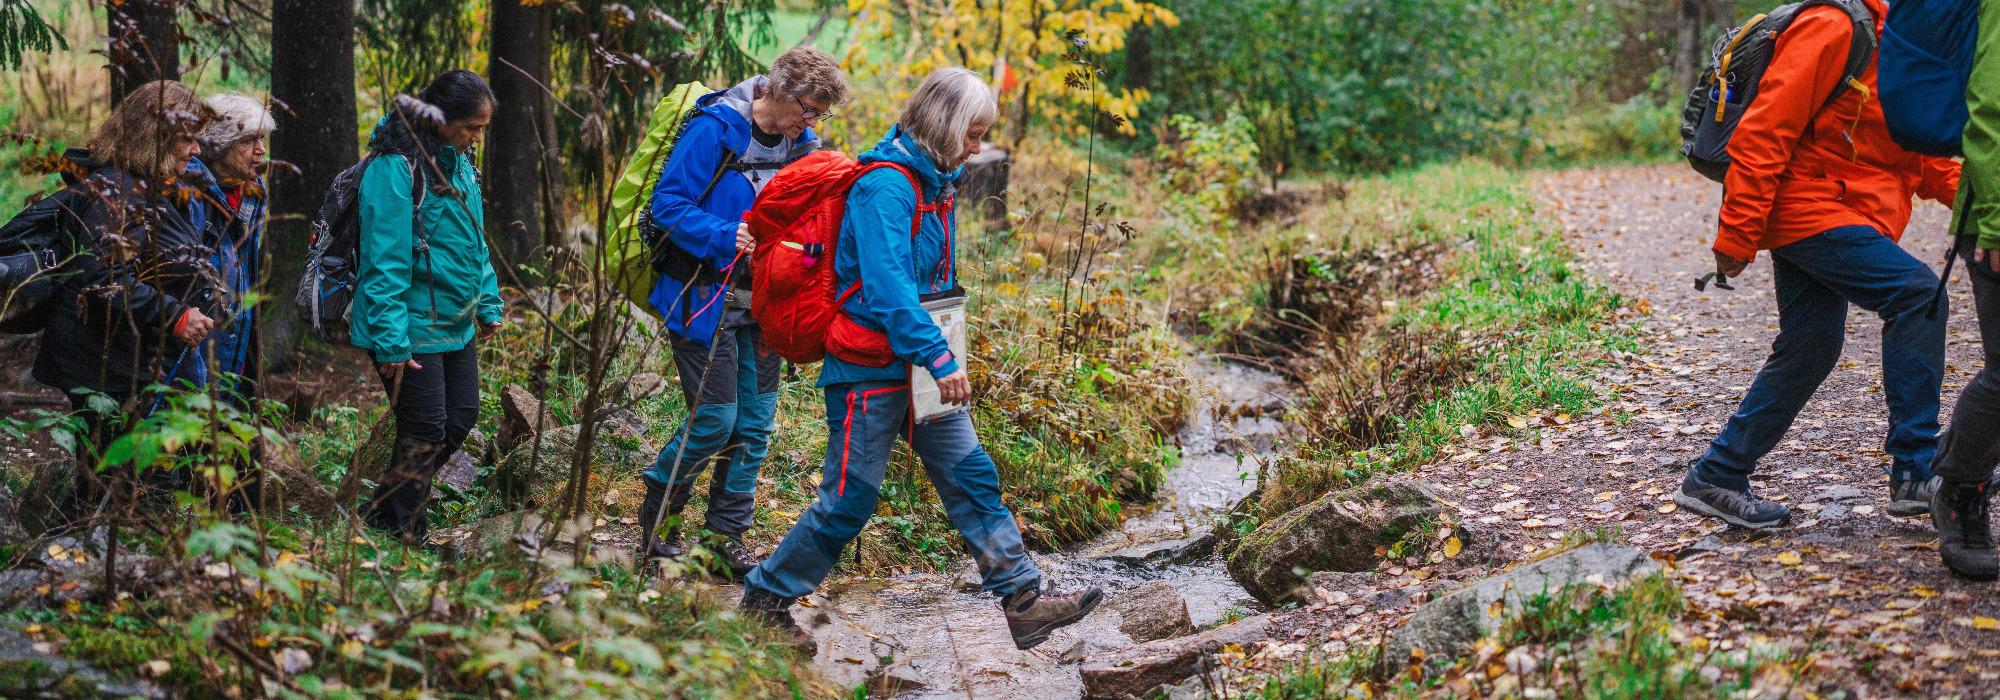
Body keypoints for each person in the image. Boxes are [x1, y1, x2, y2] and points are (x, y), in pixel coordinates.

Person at [739, 68, 1102, 652]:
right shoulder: (885, 186)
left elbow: (934, 283)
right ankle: (766, 598)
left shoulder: (938, 182)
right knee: (849, 498)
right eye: (973, 133)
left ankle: (1023, 601)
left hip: (924, 368)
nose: (978, 148)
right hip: (868, 367)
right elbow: (888, 289)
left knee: (972, 476)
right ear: (942, 124)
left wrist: (941, 350)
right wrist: (937, 355)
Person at [1679, 0, 1962, 530]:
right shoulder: (1834, 26)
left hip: (1849, 209)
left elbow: (1923, 156)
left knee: (1812, 344)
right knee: (1918, 294)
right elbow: (1764, 133)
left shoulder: (1908, 42)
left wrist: (1982, 209)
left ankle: (1718, 473)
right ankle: (1916, 470)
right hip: (1804, 203)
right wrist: (1737, 235)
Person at [635, 46, 847, 574]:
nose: (811, 120)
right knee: (713, 420)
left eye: (820, 113)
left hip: (766, 306)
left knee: (754, 425)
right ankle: (658, 518)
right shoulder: (716, 128)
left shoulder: (803, 147)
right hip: (702, 296)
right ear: (778, 88)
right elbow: (666, 205)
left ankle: (721, 539)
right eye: (808, 107)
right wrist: (722, 235)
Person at [33, 80, 219, 514]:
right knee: (129, 486)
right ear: (154, 135)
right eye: (186, 138)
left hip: (123, 362)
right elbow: (104, 280)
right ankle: (86, 563)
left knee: (114, 483)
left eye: (197, 139)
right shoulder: (115, 192)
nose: (195, 150)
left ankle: (85, 556)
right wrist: (175, 316)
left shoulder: (140, 186)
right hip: (103, 367)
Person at [350, 70, 504, 541]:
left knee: (461, 418)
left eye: (482, 129)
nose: (478, 138)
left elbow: (473, 242)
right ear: (440, 119)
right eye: (471, 128)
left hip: (453, 321)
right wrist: (391, 341)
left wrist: (489, 302)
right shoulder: (394, 168)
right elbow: (383, 262)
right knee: (423, 429)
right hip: (409, 323)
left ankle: (382, 509)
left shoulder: (458, 163)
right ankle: (405, 532)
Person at [172, 93, 274, 513]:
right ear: (216, 142)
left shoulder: (252, 190)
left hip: (239, 326)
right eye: (249, 141)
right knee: (194, 418)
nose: (261, 151)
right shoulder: (187, 187)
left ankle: (241, 521)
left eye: (263, 140)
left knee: (241, 415)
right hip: (193, 327)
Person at [1929, 0, 2000, 581]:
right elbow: (1990, 113)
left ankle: (1963, 452)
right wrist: (1999, 220)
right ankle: (1960, 491)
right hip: (1996, 226)